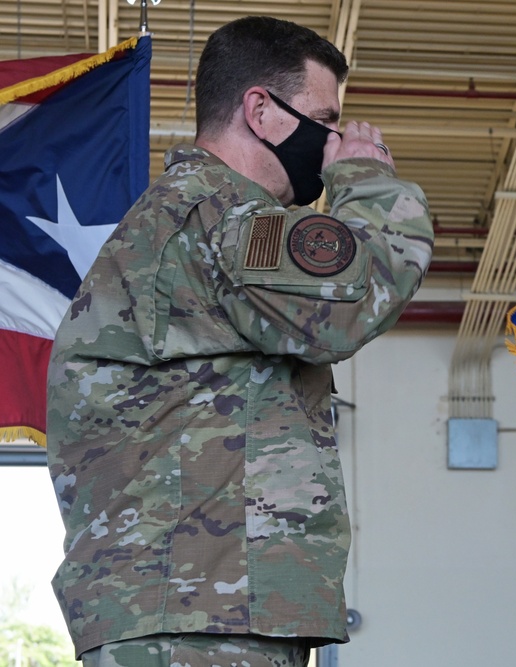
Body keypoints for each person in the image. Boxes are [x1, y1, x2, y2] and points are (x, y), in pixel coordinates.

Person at [46, 16, 433, 666]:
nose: (333, 138)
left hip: (197, 611)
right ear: (260, 109)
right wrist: (365, 178)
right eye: (324, 117)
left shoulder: (194, 222)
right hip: (197, 620)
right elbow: (357, 289)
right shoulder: (216, 219)